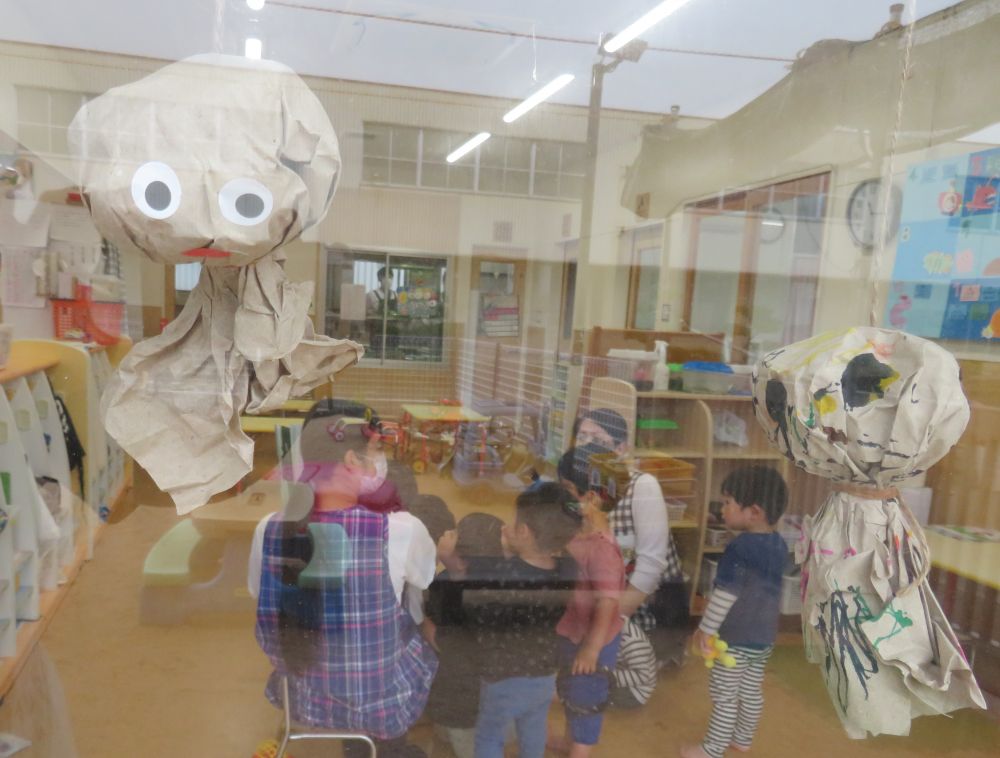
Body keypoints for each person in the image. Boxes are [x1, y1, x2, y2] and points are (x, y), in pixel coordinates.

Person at [248, 413, 438, 758]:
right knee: (422, 626)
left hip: (304, 695)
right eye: (377, 450)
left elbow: (259, 601)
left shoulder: (270, 528)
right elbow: (425, 580)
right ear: (352, 460)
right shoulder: (400, 528)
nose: (381, 461)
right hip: (377, 700)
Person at [680, 466, 789, 758]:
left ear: (754, 512)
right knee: (751, 690)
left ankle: (712, 749)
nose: (723, 509)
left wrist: (705, 628)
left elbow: (725, 594)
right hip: (764, 637)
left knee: (725, 695)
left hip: (734, 639)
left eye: (727, 502)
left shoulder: (740, 548)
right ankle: (742, 739)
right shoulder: (779, 544)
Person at [472, 484, 582, 758]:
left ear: (524, 532)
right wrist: (515, 556)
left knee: (489, 735)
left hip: (503, 677)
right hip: (544, 674)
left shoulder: (501, 575)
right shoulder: (569, 570)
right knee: (533, 730)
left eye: (514, 524)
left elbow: (483, 622)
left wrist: (506, 558)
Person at [573, 409, 686, 648]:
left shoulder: (642, 486)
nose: (589, 447)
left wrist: (606, 627)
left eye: (600, 441)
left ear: (621, 448)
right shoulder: (578, 485)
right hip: (603, 600)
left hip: (643, 606)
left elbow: (650, 568)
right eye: (582, 438)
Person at [551, 447, 626, 758]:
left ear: (592, 498)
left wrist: (592, 649)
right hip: (573, 632)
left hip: (593, 641)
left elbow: (607, 605)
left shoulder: (602, 550)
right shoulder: (577, 532)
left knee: (586, 701)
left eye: (566, 490)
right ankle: (570, 742)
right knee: (571, 693)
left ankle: (579, 751)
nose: (560, 496)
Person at [422, 512, 506, 758]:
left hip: (461, 706)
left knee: (468, 744)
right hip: (492, 697)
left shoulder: (448, 584)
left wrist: (423, 617)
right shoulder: (505, 583)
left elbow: (435, 637)